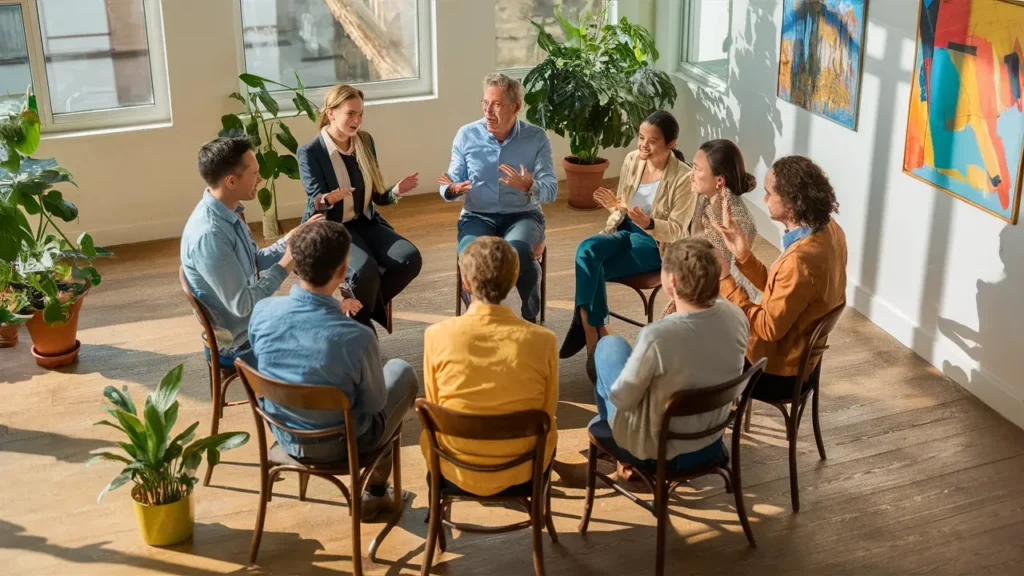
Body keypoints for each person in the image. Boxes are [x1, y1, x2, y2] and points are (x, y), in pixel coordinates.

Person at [249, 219, 419, 520]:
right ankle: (375, 493)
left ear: (294, 265)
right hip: (344, 446)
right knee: (401, 371)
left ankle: (377, 493)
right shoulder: (356, 336)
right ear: (343, 272)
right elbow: (374, 406)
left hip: (285, 434)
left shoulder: (261, 311)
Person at [559, 110, 696, 380]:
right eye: (641, 137)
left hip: (654, 243)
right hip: (623, 230)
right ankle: (593, 329)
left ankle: (588, 330)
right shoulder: (633, 160)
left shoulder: (684, 178)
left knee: (590, 266)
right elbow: (623, 205)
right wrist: (615, 207)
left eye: (652, 141)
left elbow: (678, 230)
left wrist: (649, 223)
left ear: (672, 144)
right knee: (586, 249)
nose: (643, 145)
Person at [590, 238, 748, 470]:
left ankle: (623, 461)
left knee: (609, 347)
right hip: (711, 439)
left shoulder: (659, 336)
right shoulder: (737, 316)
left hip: (661, 450)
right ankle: (619, 460)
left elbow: (623, 400)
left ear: (671, 281)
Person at [421, 237, 558, 496]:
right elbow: (547, 415)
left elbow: (435, 403)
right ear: (514, 278)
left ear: (465, 282)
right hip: (524, 470)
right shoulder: (544, 340)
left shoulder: (436, 335)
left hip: (453, 468)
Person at [180, 136, 332, 367]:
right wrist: (288, 262)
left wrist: (291, 238)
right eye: (255, 174)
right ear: (231, 181)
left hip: (251, 321)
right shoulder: (210, 235)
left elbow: (253, 261)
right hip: (240, 343)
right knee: (328, 342)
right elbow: (242, 305)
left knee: (324, 324)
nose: (261, 179)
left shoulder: (227, 211)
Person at [711, 155, 847, 400]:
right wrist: (744, 256)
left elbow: (767, 328)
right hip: (800, 358)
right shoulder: (830, 230)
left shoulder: (799, 261)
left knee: (701, 339)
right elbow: (787, 292)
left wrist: (725, 281)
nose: (764, 199)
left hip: (777, 373)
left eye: (768, 193)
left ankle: (706, 424)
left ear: (791, 203)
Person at [299, 84, 422, 330]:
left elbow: (377, 196)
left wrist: (396, 190)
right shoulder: (310, 152)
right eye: (351, 113)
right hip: (333, 227)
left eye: (360, 114)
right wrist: (329, 199)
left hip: (365, 221)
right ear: (331, 113)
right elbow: (316, 201)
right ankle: (360, 325)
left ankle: (356, 313)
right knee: (364, 271)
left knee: (410, 260)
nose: (357, 120)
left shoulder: (365, 141)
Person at [437, 73, 557, 323]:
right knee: (471, 253)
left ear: (516, 107)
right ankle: (480, 319)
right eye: (485, 103)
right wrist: (452, 189)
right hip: (477, 215)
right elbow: (450, 179)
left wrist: (530, 186)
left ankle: (529, 315)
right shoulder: (466, 135)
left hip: (522, 215)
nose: (488, 111)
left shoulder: (536, 138)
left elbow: (551, 189)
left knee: (518, 251)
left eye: (497, 104)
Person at [683, 139, 759, 306]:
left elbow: (726, 277)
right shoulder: (705, 197)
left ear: (720, 181)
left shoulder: (738, 222)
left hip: (726, 299)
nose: (692, 176)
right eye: (693, 167)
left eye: (697, 169)